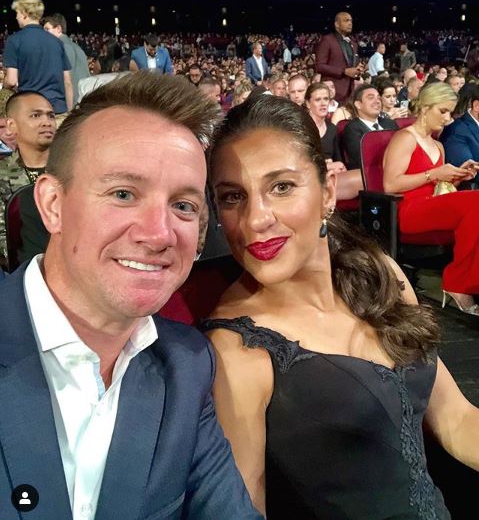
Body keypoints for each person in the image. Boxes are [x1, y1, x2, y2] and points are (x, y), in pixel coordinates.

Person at [199, 94, 479, 518]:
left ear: (328, 191)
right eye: (233, 197)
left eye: (281, 187)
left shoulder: (379, 272)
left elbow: (456, 420)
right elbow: (245, 508)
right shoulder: (236, 348)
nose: (256, 219)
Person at [0, 71, 262, 519]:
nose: (160, 234)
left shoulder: (188, 366)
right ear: (52, 204)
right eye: (123, 193)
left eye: (183, 205)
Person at [383, 82, 479, 315]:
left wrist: (456, 176)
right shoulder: (405, 138)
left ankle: (465, 281)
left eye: (449, 112)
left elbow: (438, 187)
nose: (447, 119)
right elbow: (390, 184)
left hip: (431, 207)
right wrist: (434, 173)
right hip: (408, 210)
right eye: (442, 111)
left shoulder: (437, 144)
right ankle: (457, 283)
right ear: (425, 108)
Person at [0, 91, 55, 266]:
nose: (46, 122)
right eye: (35, 115)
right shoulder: (3, 174)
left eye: (51, 116)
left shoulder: (73, 169)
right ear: (11, 125)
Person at [3, 0, 73, 121]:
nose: (16, 17)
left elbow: (12, 81)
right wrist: (68, 113)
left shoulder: (14, 41)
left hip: (32, 112)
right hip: (57, 110)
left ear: (25, 14)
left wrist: (5, 84)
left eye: (17, 13)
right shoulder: (56, 42)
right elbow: (67, 82)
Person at [305, 82, 362, 199]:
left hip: (330, 176)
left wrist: (338, 167)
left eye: (326, 99)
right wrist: (328, 165)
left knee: (363, 178)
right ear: (308, 103)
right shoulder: (300, 128)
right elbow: (300, 164)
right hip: (308, 178)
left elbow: (339, 161)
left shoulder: (332, 129)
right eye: (317, 100)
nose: (323, 104)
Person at [315, 11, 364, 103]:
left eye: (351, 21)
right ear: (337, 24)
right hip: (332, 92)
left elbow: (352, 67)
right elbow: (319, 66)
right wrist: (343, 71)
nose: (350, 23)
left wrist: (358, 70)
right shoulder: (327, 40)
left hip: (350, 93)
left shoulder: (353, 43)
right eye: (346, 20)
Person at [42, 12, 90, 105]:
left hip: (73, 102)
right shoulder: (74, 46)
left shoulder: (62, 47)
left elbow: (66, 81)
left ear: (59, 29)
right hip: (83, 100)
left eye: (47, 29)